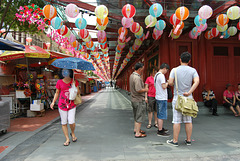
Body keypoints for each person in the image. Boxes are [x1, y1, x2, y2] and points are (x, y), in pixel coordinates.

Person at [167, 52, 200, 146]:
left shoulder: (174, 70)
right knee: (188, 120)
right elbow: (197, 81)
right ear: (189, 61)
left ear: (180, 59)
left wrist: (173, 84)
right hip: (188, 98)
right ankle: (188, 140)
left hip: (177, 98)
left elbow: (170, 82)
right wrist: (189, 91)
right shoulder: (193, 70)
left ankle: (175, 141)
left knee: (177, 120)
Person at [50, 69, 80, 146]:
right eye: (63, 71)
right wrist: (53, 102)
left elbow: (79, 92)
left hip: (72, 104)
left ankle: (72, 133)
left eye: (66, 71)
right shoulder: (59, 82)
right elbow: (57, 92)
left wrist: (74, 86)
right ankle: (67, 138)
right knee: (64, 122)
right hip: (62, 104)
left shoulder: (74, 81)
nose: (65, 73)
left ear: (70, 72)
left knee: (71, 121)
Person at [129, 63, 149, 138]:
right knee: (139, 116)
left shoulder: (132, 75)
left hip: (134, 99)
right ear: (140, 69)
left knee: (136, 115)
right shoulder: (137, 78)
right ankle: (137, 133)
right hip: (139, 99)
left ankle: (136, 129)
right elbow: (138, 89)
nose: (143, 70)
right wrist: (146, 89)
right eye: (142, 68)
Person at [154, 63, 171, 137]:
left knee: (159, 113)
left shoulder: (156, 75)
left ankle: (160, 127)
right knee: (161, 114)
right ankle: (160, 130)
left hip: (158, 96)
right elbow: (164, 86)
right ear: (164, 68)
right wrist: (168, 82)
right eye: (166, 70)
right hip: (162, 97)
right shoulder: (161, 75)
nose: (166, 72)